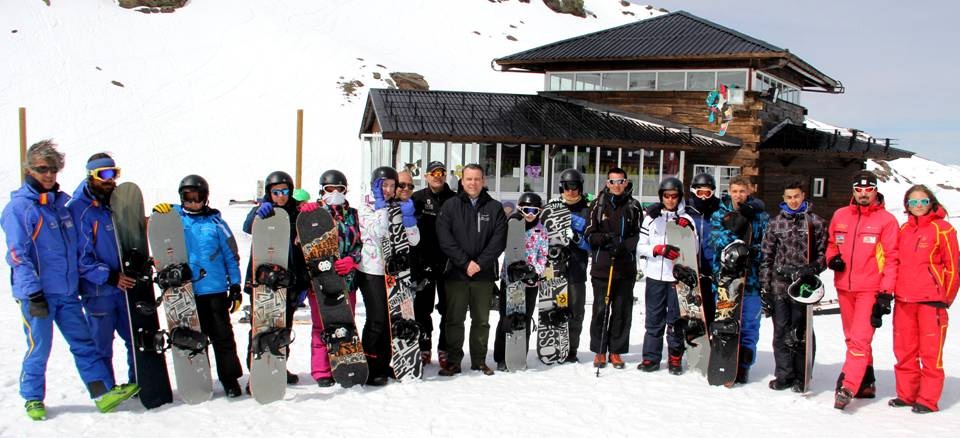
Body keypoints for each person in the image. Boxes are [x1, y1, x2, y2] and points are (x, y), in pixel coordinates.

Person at [3, 140, 139, 421]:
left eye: (53, 169)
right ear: (29, 169)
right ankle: (32, 398)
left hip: (66, 292)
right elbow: (18, 255)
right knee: (39, 347)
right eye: (42, 169)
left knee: (85, 344)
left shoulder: (61, 205)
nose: (49, 174)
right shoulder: (20, 208)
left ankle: (102, 393)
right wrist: (32, 292)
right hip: (38, 295)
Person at [153, 175, 245, 398]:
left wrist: (234, 285)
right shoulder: (176, 220)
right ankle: (197, 380)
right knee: (193, 337)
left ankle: (229, 378)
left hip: (214, 291)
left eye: (198, 198)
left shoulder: (216, 223)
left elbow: (231, 257)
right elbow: (162, 236)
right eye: (188, 199)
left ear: (206, 199)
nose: (193, 203)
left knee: (222, 337)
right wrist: (165, 211)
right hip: (186, 292)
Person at [825, 170, 899, 410]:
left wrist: (886, 293)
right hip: (844, 286)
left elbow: (891, 258)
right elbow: (832, 243)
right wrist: (832, 258)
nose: (863, 194)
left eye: (868, 190)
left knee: (859, 339)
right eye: (859, 190)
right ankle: (866, 383)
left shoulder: (886, 221)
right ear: (853, 190)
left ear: (875, 190)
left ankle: (848, 385)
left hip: (870, 289)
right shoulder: (840, 215)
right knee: (851, 339)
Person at [67, 153, 137, 389]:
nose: (109, 180)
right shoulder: (79, 210)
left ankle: (139, 382)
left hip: (124, 287)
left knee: (135, 339)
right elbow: (80, 257)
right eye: (103, 174)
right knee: (101, 345)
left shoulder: (115, 204)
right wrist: (109, 276)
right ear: (91, 176)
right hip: (98, 291)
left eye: (113, 173)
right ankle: (107, 390)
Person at [435, 164, 508, 376]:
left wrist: (480, 263)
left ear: (483, 181)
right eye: (469, 179)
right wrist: (465, 263)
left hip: (483, 275)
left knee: (481, 320)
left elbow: (499, 240)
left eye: (477, 179)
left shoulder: (494, 208)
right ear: (462, 181)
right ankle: (454, 361)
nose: (473, 183)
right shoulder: (450, 206)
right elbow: (445, 239)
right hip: (456, 273)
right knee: (454, 319)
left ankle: (479, 361)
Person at [890, 185, 957, 413]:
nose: (918, 206)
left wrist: (944, 297)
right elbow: (894, 261)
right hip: (904, 300)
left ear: (932, 202)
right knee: (904, 350)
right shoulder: (903, 229)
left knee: (930, 352)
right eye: (913, 202)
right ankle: (907, 395)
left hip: (931, 302)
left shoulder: (943, 229)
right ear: (907, 205)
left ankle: (928, 400)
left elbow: (953, 268)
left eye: (923, 202)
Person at [241, 171, 308, 388]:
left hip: (288, 279)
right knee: (261, 325)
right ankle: (256, 370)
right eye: (275, 192)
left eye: (285, 191)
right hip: (263, 280)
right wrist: (257, 214)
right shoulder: (263, 211)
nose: (280, 196)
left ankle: (279, 365)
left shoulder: (295, 211)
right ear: (269, 193)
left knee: (283, 326)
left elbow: (311, 227)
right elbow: (247, 226)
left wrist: (310, 210)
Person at [759, 180, 827, 392]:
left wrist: (813, 268)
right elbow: (767, 257)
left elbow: (826, 255)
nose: (793, 200)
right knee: (781, 331)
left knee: (801, 331)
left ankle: (801, 374)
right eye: (788, 197)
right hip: (780, 284)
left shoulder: (816, 222)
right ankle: (784, 374)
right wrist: (765, 287)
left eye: (796, 196)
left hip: (803, 285)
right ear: (783, 198)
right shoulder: (775, 223)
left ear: (803, 195)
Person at [298, 169, 363, 387]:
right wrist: (303, 216)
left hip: (347, 279)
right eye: (329, 189)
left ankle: (345, 364)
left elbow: (361, 244)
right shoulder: (313, 213)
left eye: (340, 189)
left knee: (345, 324)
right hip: (321, 280)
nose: (334, 193)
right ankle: (322, 370)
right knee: (321, 325)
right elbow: (301, 244)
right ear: (321, 190)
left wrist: (353, 259)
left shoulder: (352, 214)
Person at [357, 167, 420, 385]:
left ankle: (384, 364)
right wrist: (381, 207)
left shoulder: (397, 207)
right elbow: (378, 232)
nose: (388, 190)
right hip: (372, 271)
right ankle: (371, 366)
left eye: (392, 185)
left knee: (392, 318)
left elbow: (414, 241)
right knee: (377, 320)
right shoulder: (366, 208)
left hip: (394, 272)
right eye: (383, 185)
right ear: (375, 186)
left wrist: (410, 219)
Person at [709, 175, 768, 384]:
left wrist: (749, 251)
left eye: (742, 191)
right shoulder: (719, 214)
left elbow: (766, 245)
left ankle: (743, 365)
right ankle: (724, 358)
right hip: (726, 279)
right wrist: (735, 239)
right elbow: (715, 240)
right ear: (729, 192)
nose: (738, 195)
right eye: (734, 191)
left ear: (749, 191)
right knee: (726, 321)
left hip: (751, 279)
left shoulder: (760, 217)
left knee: (750, 324)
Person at [585, 167, 643, 369]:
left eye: (620, 181)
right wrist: (605, 240)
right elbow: (589, 233)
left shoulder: (634, 206)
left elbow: (639, 234)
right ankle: (600, 350)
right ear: (607, 183)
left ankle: (616, 351)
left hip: (625, 267)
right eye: (612, 182)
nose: (617, 185)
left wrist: (625, 246)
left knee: (621, 310)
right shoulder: (597, 205)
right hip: (603, 266)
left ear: (626, 183)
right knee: (601, 309)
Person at [637, 177, 694, 374]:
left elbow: (694, 249)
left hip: (676, 279)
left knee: (675, 321)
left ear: (680, 197)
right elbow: (640, 247)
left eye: (674, 196)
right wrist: (657, 249)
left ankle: (675, 359)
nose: (670, 200)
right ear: (661, 196)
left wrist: (687, 230)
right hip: (655, 276)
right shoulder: (651, 218)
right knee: (653, 319)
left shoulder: (688, 218)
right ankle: (651, 358)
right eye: (666, 196)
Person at [493, 192, 548, 371]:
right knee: (506, 317)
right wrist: (511, 221)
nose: (530, 214)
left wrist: (535, 272)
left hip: (530, 283)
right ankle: (501, 355)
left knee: (523, 319)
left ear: (539, 211)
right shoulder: (513, 226)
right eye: (526, 210)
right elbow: (501, 247)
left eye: (534, 210)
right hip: (510, 282)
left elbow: (543, 257)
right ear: (519, 209)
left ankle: (519, 354)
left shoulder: (542, 231)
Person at [411, 161, 457, 367]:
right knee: (422, 308)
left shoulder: (455, 199)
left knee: (448, 309)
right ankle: (424, 345)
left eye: (441, 173)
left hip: (448, 264)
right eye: (433, 173)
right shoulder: (417, 198)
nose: (438, 176)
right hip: (424, 264)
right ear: (426, 176)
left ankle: (444, 348)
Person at [555, 168, 591, 363]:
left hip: (577, 268)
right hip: (555, 269)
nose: (570, 191)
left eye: (574, 187)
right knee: (555, 309)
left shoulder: (588, 210)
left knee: (576, 311)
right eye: (567, 187)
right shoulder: (553, 207)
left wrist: (577, 237)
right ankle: (553, 346)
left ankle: (572, 349)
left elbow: (592, 242)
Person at [686, 173, 721, 328]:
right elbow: (666, 204)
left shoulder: (720, 209)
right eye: (700, 193)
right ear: (694, 191)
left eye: (708, 193)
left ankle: (714, 339)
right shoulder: (685, 209)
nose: (704, 197)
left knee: (712, 309)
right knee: (694, 311)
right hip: (692, 269)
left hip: (713, 270)